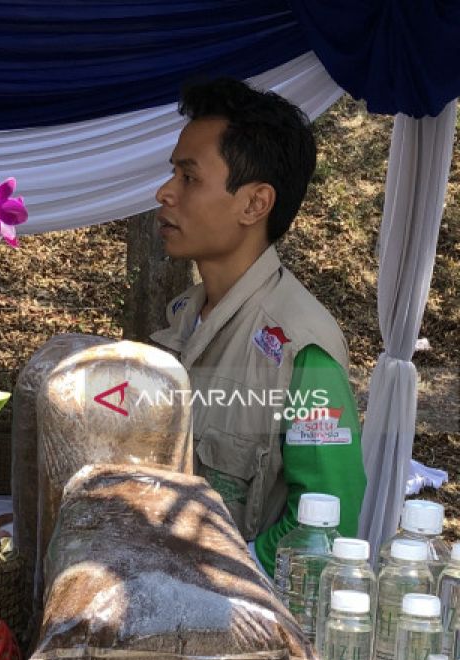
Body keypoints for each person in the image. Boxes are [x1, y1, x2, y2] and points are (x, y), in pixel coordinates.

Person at [149, 77, 366, 577]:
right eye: (172, 175)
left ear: (254, 204)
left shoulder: (300, 346)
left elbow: (331, 522)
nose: (164, 193)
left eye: (189, 178)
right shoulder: (184, 319)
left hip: (240, 621)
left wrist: (232, 571)